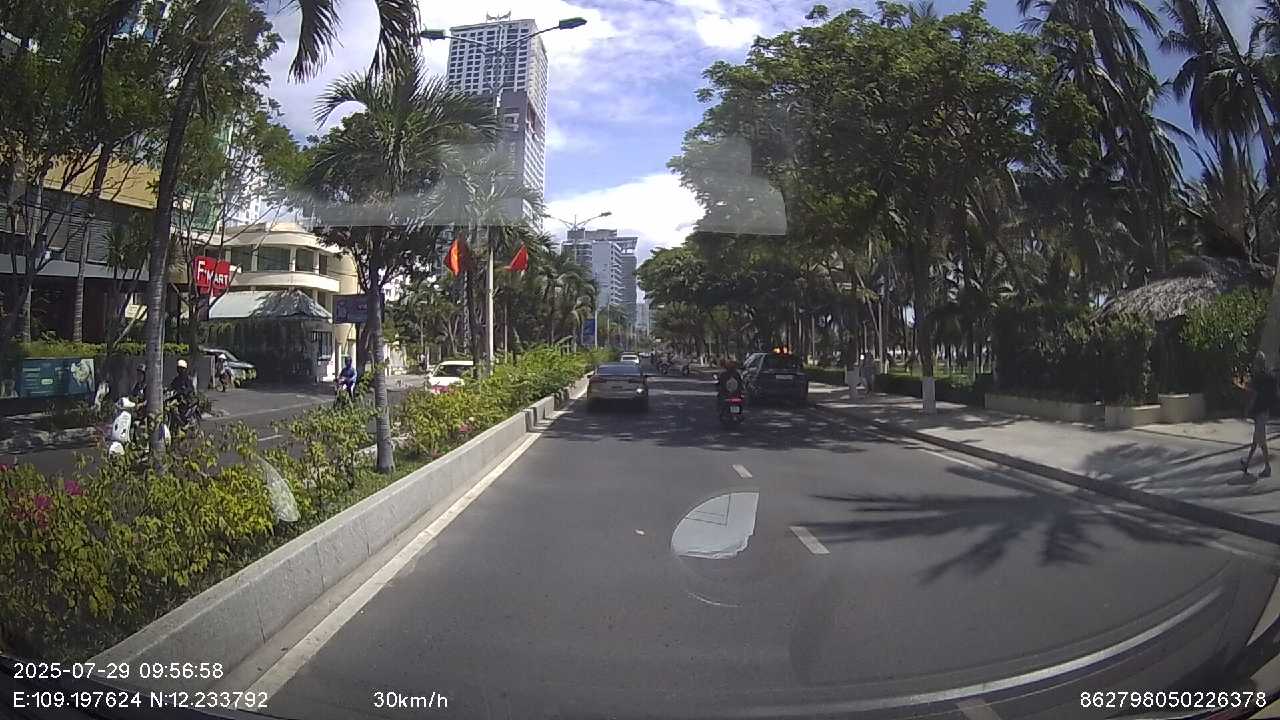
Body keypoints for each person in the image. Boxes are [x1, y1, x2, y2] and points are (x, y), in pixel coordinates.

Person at [1242, 352, 1277, 478]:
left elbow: (1254, 395)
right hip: (1265, 411)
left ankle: (1267, 468)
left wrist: (1247, 409)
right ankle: (1247, 463)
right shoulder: (1269, 375)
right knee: (1256, 440)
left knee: (1261, 441)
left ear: (1258, 363)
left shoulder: (1258, 377)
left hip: (1260, 412)